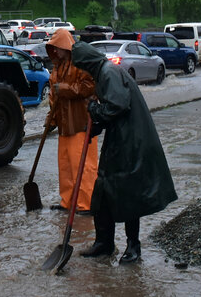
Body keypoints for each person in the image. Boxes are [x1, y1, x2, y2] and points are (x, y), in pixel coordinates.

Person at [72, 40, 177, 264]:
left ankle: (133, 246)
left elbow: (117, 106)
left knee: (130, 194)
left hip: (131, 142)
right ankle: (104, 243)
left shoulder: (108, 72)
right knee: (102, 190)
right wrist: (96, 125)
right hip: (120, 138)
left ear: (86, 64)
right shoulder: (104, 73)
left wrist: (93, 108)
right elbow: (112, 110)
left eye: (80, 67)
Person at [43, 29, 99, 213]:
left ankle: (86, 203)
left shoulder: (80, 64)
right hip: (65, 125)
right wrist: (51, 120)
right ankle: (68, 202)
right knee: (66, 165)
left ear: (66, 47)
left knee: (83, 166)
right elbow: (54, 97)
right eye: (52, 48)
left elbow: (89, 87)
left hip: (81, 122)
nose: (55, 52)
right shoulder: (57, 68)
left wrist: (65, 89)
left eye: (57, 48)